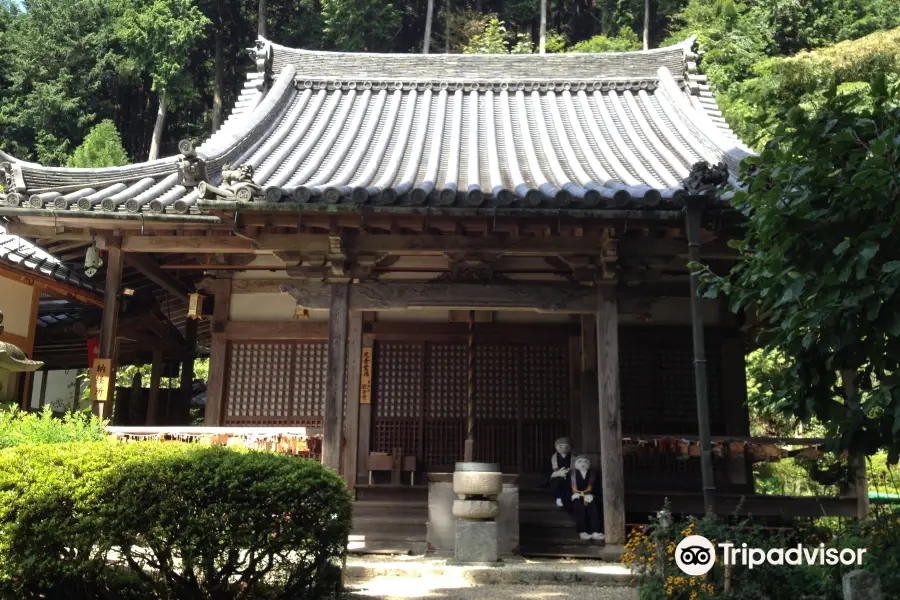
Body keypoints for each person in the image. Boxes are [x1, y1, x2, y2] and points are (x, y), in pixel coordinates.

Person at [569, 454, 604, 542]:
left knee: (594, 507)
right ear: (575, 464)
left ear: (589, 464)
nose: (582, 463)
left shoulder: (594, 474)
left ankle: (595, 531)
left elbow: (598, 487)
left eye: (585, 461)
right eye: (579, 462)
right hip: (576, 496)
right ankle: (583, 532)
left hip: (590, 496)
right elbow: (566, 488)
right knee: (579, 508)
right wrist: (573, 495)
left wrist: (592, 495)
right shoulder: (571, 474)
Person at [543, 437, 573, 511]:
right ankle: (559, 497)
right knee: (557, 482)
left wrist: (568, 472)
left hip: (570, 476)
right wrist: (557, 473)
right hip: (557, 477)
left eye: (566, 446)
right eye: (560, 446)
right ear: (556, 447)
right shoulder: (552, 458)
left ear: (570, 447)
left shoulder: (573, 457)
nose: (564, 448)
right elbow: (546, 471)